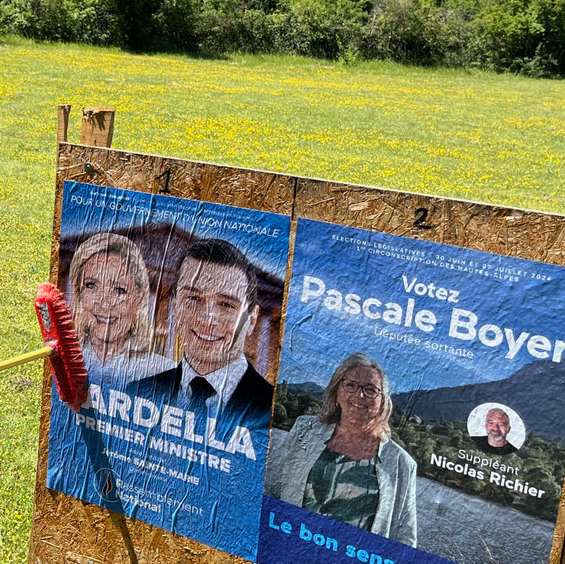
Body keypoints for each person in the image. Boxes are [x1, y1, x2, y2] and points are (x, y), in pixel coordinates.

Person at [263, 353, 418, 546]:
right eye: (350, 385)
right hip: (290, 550)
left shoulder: (401, 463)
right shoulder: (305, 429)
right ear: (337, 392)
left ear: (383, 403)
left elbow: (405, 537)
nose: (359, 395)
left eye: (371, 390)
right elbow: (270, 488)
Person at [131, 238, 274, 431]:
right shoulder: (137, 392)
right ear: (176, 306)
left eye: (226, 304)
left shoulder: (272, 416)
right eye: (193, 298)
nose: (206, 319)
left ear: (252, 319)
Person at [66, 232, 174, 385]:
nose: (104, 303)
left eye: (119, 290)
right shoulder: (63, 360)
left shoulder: (164, 375)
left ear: (140, 299)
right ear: (78, 293)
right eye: (91, 285)